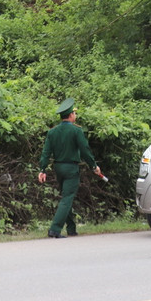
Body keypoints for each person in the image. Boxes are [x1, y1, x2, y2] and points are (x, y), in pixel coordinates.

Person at [38, 98, 103, 238]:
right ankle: (55, 229)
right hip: (71, 168)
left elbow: (46, 152)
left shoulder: (52, 132)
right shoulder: (76, 131)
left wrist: (42, 170)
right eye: (74, 113)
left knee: (65, 197)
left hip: (58, 168)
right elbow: (85, 150)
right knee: (67, 198)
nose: (75, 115)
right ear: (71, 115)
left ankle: (71, 228)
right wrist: (93, 166)